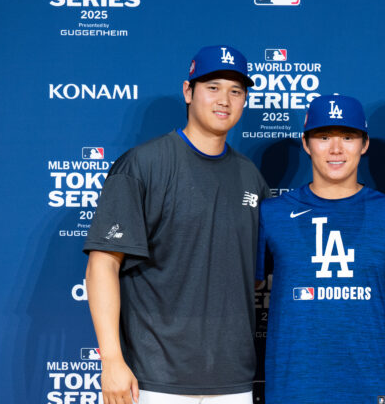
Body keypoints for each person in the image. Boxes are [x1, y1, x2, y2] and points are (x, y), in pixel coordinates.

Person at [83, 45, 269, 404]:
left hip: (233, 380)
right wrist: (111, 361)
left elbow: (253, 276)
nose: (224, 100)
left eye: (236, 91)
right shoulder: (143, 165)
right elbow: (102, 264)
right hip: (154, 378)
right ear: (188, 91)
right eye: (212, 87)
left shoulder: (251, 178)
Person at [256, 94, 385, 404]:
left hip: (369, 385)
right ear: (306, 144)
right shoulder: (272, 214)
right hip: (294, 388)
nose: (336, 149)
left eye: (348, 137)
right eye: (324, 137)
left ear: (364, 144)